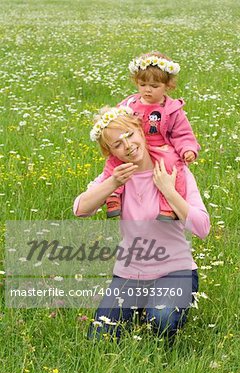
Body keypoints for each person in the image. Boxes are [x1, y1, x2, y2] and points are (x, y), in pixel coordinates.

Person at [74, 106, 210, 341]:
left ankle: (156, 306)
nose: (127, 145)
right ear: (110, 152)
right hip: (130, 273)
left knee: (162, 321)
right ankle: (141, 304)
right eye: (117, 144)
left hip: (175, 270)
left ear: (141, 131)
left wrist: (169, 191)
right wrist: (113, 183)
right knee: (100, 336)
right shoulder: (117, 175)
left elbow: (202, 228)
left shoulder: (174, 170)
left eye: (130, 135)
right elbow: (80, 209)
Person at [94, 51, 200, 221]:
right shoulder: (129, 104)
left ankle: (168, 207)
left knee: (175, 168)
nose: (148, 90)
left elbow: (183, 133)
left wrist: (187, 148)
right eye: (143, 85)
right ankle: (113, 196)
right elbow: (117, 121)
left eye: (154, 86)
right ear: (136, 82)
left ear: (168, 85)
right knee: (113, 162)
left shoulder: (172, 109)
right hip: (134, 145)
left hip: (160, 149)